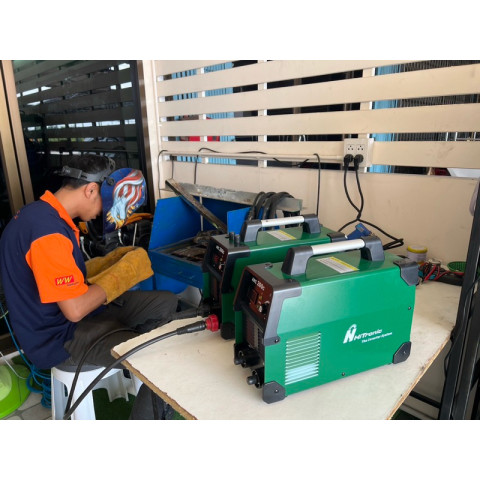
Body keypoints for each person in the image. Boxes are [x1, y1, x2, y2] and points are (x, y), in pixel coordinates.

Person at [0, 154, 178, 418]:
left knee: (165, 302)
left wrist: (100, 266)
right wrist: (120, 276)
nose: (104, 213)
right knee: (158, 359)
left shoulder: (40, 214)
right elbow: (74, 309)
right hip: (58, 338)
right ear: (91, 190)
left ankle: (129, 352)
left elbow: (53, 276)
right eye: (106, 203)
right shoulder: (48, 233)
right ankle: (141, 364)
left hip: (67, 318)